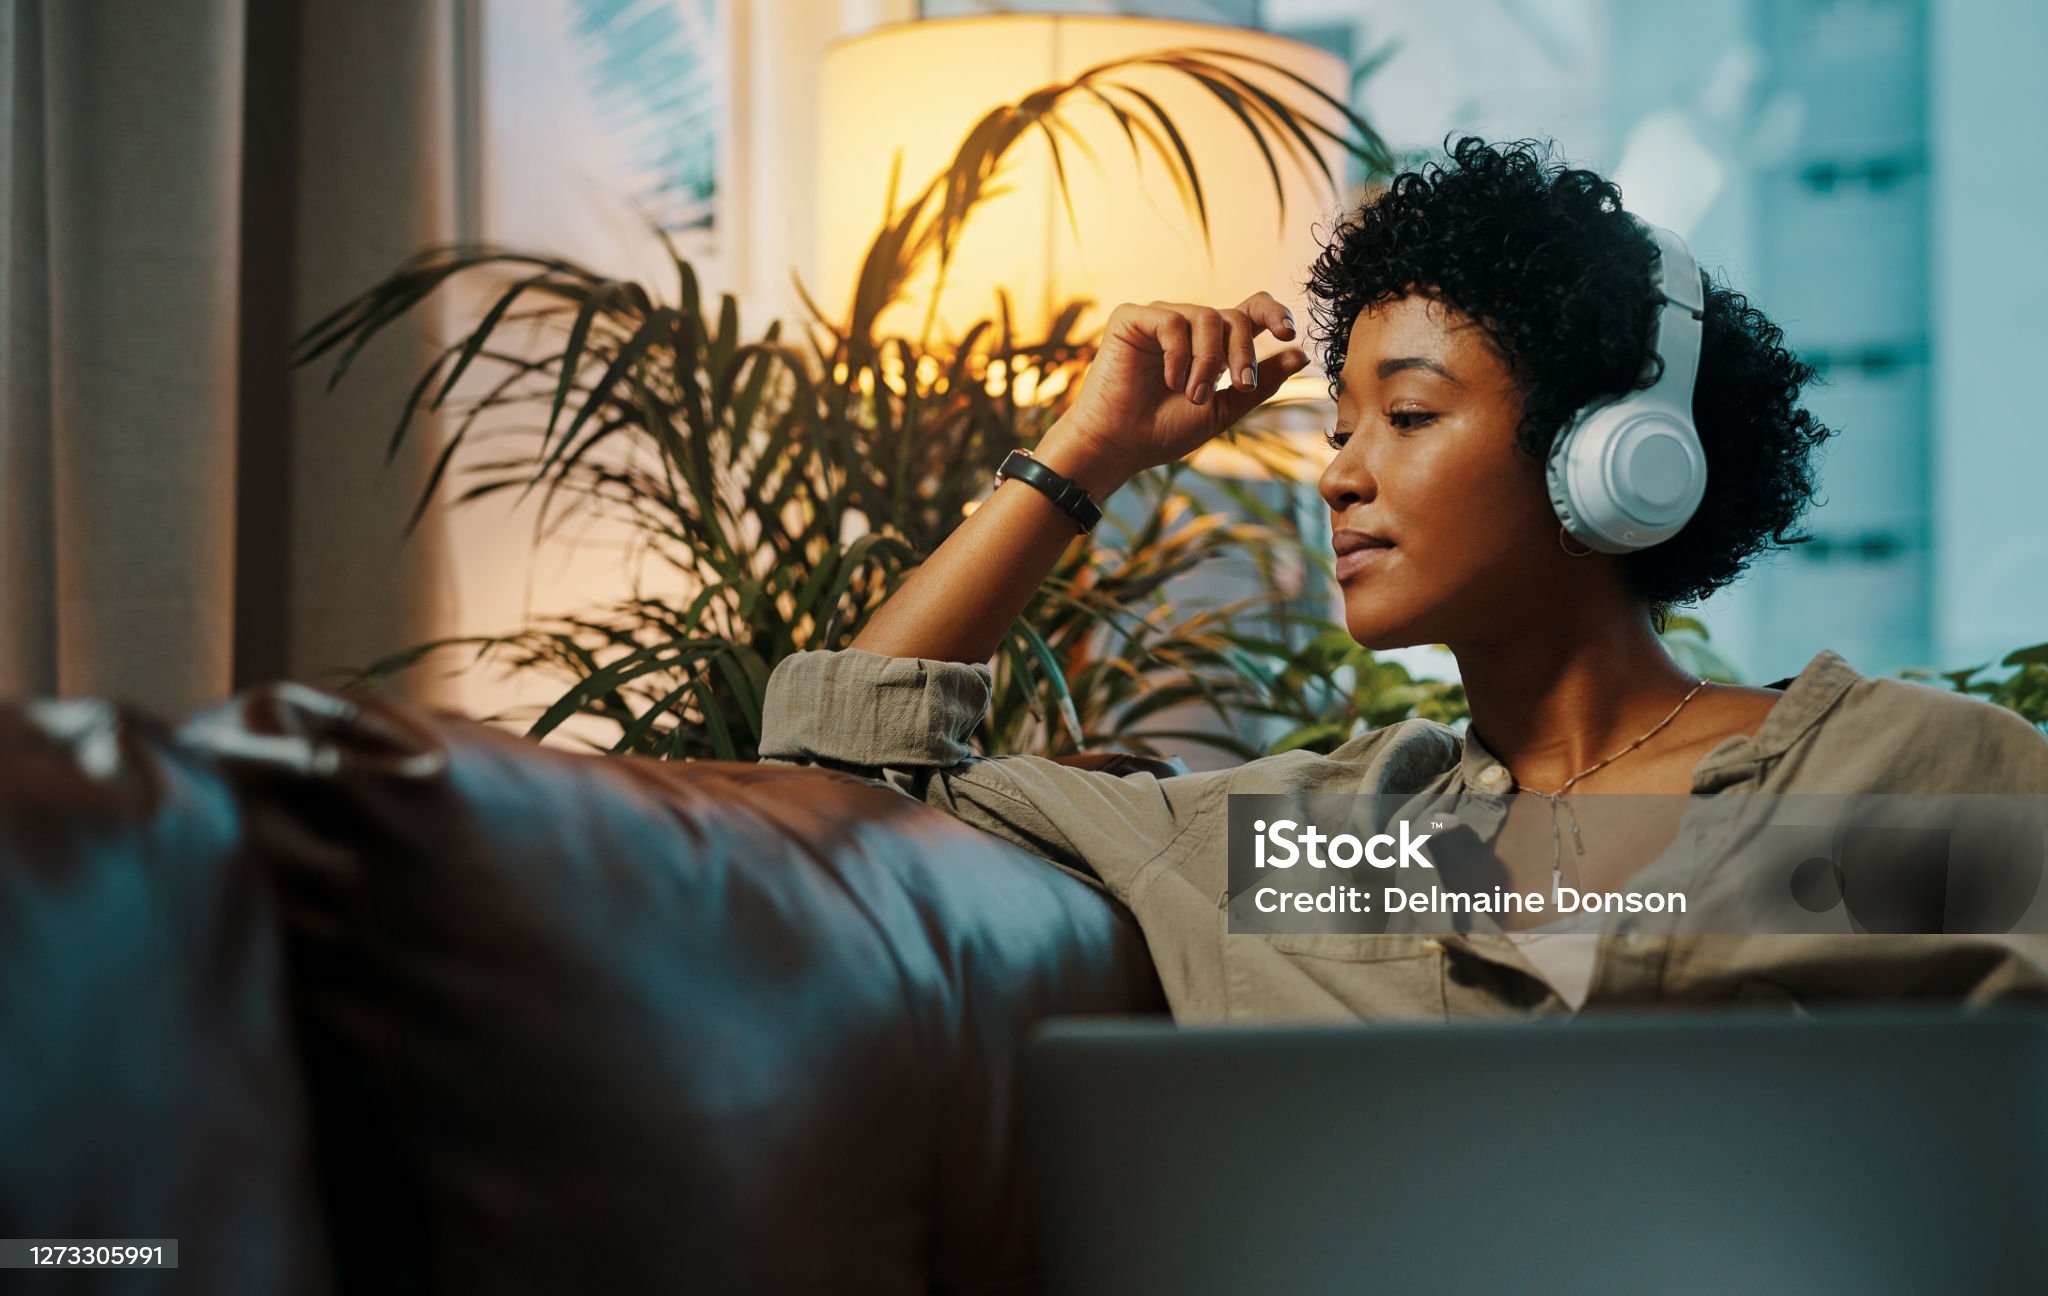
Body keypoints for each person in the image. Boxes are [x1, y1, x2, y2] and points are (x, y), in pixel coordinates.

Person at [758, 135, 2048, 1024]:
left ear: (1616, 455)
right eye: (1337, 431)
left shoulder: (1903, 778)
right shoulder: (1319, 847)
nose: (1337, 479)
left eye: (1410, 417)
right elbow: (833, 788)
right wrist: (1079, 457)